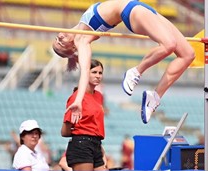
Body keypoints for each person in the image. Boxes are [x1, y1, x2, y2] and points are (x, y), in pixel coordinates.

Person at [52, 0, 195, 124]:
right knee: (168, 45)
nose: (59, 36)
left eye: (56, 38)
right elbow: (84, 74)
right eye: (60, 43)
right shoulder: (82, 41)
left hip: (140, 6)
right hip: (132, 11)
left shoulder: (81, 24)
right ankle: (135, 71)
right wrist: (78, 100)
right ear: (71, 48)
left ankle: (154, 97)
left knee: (188, 55)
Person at [61, 59, 108, 171]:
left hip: (96, 144)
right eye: (94, 72)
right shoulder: (77, 97)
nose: (98, 76)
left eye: (100, 73)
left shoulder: (99, 96)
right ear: (85, 73)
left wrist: (100, 148)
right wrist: (82, 133)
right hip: (81, 144)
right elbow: (65, 131)